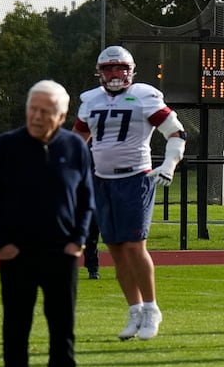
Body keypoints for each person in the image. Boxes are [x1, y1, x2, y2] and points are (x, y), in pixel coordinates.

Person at [0, 81, 95, 367]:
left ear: (61, 116)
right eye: (33, 108)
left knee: (63, 330)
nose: (36, 116)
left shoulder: (75, 147)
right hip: (17, 256)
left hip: (61, 255)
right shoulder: (7, 146)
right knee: (16, 329)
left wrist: (78, 240)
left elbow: (86, 200)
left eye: (45, 111)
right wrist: (3, 243)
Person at [72, 45, 187, 342]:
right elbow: (76, 141)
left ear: (131, 70)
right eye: (109, 68)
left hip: (136, 178)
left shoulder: (145, 95)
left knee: (135, 246)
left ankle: (151, 309)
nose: (115, 73)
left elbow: (176, 132)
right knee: (116, 250)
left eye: (120, 67)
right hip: (102, 180)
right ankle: (134, 310)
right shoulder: (89, 100)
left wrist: (169, 164)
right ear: (99, 72)